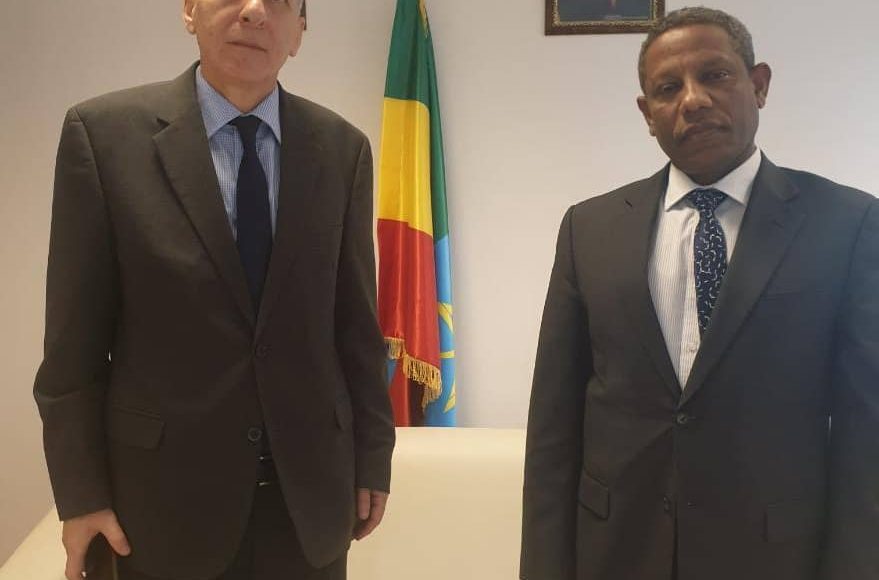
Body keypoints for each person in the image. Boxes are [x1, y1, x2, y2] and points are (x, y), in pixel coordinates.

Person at [33, 1, 395, 579]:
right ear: (189, 10)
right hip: (158, 511)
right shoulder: (102, 138)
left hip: (308, 509)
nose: (254, 11)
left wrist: (373, 458)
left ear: (299, 32)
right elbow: (72, 350)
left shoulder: (342, 149)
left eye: (280, 1)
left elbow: (356, 328)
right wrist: (81, 495)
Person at [521, 6, 878, 580]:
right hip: (617, 551)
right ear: (648, 113)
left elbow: (867, 433)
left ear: (759, 85)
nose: (692, 100)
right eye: (668, 88)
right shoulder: (588, 229)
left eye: (715, 75)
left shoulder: (848, 224)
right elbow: (553, 429)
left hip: (775, 557)